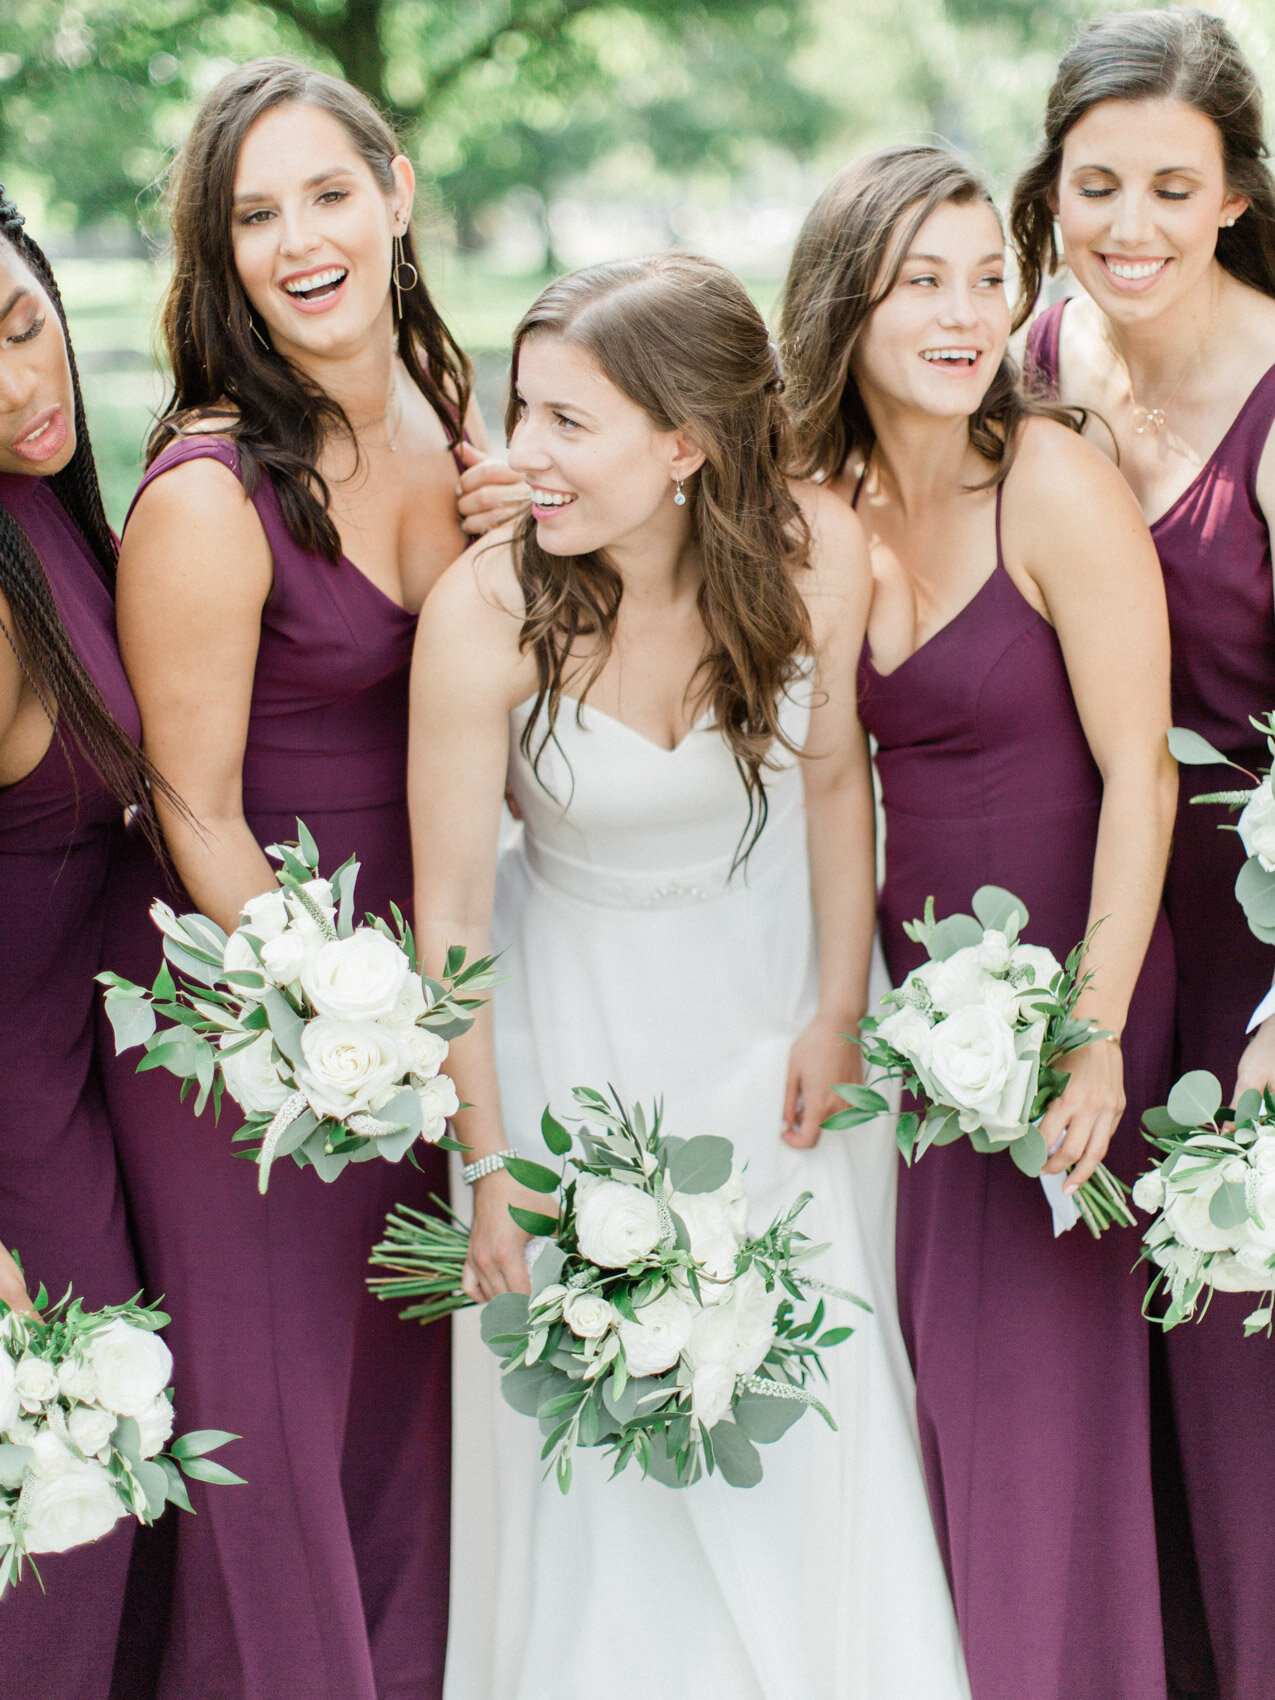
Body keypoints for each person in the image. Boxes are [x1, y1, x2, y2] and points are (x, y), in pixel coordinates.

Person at [409, 253, 971, 1700]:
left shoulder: (811, 555)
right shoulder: (487, 611)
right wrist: (489, 1166)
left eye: (565, 422)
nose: (518, 453)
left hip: (770, 1011)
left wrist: (838, 1012)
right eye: (519, 407)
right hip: (565, 1036)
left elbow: (837, 779)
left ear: (684, 446)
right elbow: (453, 916)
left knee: (805, 1403)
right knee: (591, 1435)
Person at [96, 59, 487, 1700]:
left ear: (395, 189)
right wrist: (354, 1020)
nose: (300, 238)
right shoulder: (207, 495)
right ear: (221, 254)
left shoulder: (457, 422)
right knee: (272, 1474)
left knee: (400, 1462)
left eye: (328, 193)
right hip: (254, 1052)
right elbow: (190, 809)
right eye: (256, 215)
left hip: (421, 1019)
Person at [779, 145, 1177, 1700]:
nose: (964, 316)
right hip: (921, 1028)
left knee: (1039, 1434)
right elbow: (830, 781)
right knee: (953, 1409)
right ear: (848, 302)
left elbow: (1141, 777)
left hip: (1080, 1001)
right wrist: (835, 1004)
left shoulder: (1052, 481)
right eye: (920, 282)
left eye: (985, 278)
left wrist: (1090, 1039)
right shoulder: (827, 496)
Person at [1012, 13, 1275, 1696]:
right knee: (1112, 1399)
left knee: (1248, 1403)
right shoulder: (1030, 358)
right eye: (1098, 183)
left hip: (1259, 953)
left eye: (1172, 187)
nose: (1130, 225)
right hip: (1098, 936)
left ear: (1239, 195)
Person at [0, 188, 161, 1697]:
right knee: (67, 1518)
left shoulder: (46, 514)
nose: (13, 381)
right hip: (15, 1144)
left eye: (18, 322)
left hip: (75, 1093)